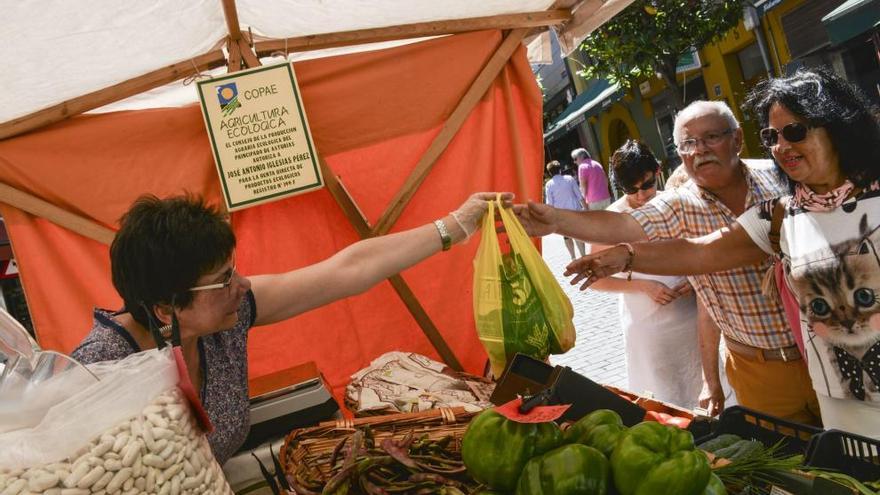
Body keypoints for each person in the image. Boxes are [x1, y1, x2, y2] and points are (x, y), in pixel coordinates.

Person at [71, 192, 508, 464]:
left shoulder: (224, 317)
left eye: (234, 269)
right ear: (166, 308)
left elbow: (347, 271)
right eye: (224, 279)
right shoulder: (96, 370)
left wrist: (456, 225)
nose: (242, 286)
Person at [565, 68, 880, 437]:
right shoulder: (783, 210)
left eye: (795, 131)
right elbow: (703, 254)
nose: (782, 147)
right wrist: (569, 229)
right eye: (772, 136)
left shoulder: (816, 195)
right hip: (827, 382)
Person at [514, 100, 819, 424]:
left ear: (737, 139)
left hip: (822, 351)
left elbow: (704, 253)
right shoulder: (679, 205)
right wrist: (557, 221)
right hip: (757, 369)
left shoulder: (779, 177)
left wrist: (627, 257)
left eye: (711, 137)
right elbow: (622, 225)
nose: (700, 150)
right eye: (688, 143)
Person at [587, 140, 702, 409]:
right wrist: (641, 286)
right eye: (631, 189)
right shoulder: (612, 218)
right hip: (646, 325)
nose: (641, 196)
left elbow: (701, 252)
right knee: (663, 397)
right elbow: (596, 279)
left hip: (689, 318)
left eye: (647, 185)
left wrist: (696, 281)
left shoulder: (677, 204)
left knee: (701, 387)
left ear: (658, 171)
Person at [544, 160, 587, 260]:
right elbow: (580, 196)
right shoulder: (569, 179)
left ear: (550, 173)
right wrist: (586, 209)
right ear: (560, 169)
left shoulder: (548, 185)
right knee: (578, 235)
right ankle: (584, 256)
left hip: (561, 216)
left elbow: (549, 204)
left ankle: (573, 258)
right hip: (575, 212)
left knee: (567, 237)